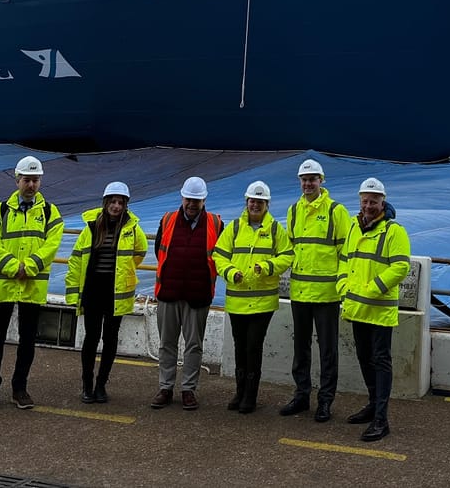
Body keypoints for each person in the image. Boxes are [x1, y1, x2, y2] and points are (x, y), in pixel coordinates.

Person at [0, 155, 63, 411]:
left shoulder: (50, 212)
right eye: (27, 180)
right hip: (4, 285)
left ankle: (20, 388)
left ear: (40, 181)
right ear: (17, 181)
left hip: (31, 287)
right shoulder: (0, 210)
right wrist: (15, 268)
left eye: (35, 180)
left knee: (27, 341)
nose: (31, 185)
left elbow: (52, 245)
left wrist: (30, 266)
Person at [338, 176, 411, 442]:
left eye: (373, 202)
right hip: (357, 307)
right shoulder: (354, 228)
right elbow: (345, 259)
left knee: (380, 361)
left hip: (379, 310)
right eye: (365, 201)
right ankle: (372, 405)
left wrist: (372, 288)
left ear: (383, 202)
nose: (368, 206)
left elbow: (401, 266)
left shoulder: (394, 231)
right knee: (364, 358)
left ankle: (381, 419)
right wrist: (342, 284)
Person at [280, 157, 351, 422]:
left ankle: (325, 401)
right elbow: (290, 249)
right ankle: (301, 396)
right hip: (300, 293)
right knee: (301, 349)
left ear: (321, 181)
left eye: (312, 179)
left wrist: (343, 285)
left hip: (327, 295)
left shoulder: (336, 211)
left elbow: (346, 252)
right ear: (300, 182)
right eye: (304, 180)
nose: (308, 184)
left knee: (328, 351)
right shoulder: (293, 211)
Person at [213, 180, 293, 414]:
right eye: (252, 201)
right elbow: (219, 255)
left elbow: (287, 255)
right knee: (240, 347)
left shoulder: (275, 229)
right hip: (237, 300)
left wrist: (267, 267)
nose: (255, 205)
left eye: (260, 202)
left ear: (267, 204)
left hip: (262, 302)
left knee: (253, 347)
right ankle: (240, 392)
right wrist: (231, 272)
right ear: (246, 202)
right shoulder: (235, 227)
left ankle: (250, 396)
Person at [65, 181, 147, 403]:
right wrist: (73, 293)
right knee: (91, 338)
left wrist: (124, 272)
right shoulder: (91, 227)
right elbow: (76, 260)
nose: (116, 206)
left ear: (126, 205)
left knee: (110, 339)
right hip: (93, 290)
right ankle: (87, 385)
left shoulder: (132, 228)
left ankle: (101, 385)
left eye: (120, 202)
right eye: (113, 202)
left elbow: (140, 251)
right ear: (105, 203)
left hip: (115, 292)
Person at [151, 175, 222, 411]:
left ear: (204, 201)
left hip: (198, 296)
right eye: (188, 199)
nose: (192, 204)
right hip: (169, 293)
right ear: (182, 198)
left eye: (196, 200)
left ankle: (188, 389)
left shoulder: (216, 223)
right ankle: (165, 387)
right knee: (167, 343)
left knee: (194, 345)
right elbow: (159, 250)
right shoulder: (167, 220)